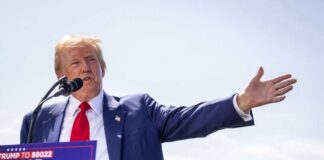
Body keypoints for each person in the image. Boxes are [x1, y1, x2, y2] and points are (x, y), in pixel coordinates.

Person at [20, 35, 297, 160]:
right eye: (75, 63)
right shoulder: (37, 120)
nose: (85, 68)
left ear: (102, 68)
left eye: (91, 61)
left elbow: (187, 119)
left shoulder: (138, 109)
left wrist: (241, 101)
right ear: (61, 74)